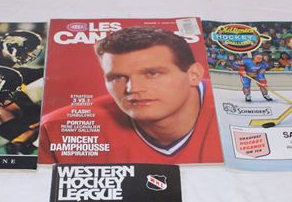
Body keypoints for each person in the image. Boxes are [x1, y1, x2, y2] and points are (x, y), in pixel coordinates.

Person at [39, 27, 223, 164]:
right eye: (118, 77)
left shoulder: (230, 112)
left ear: (194, 75)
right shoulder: (57, 129)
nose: (132, 89)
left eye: (152, 73)